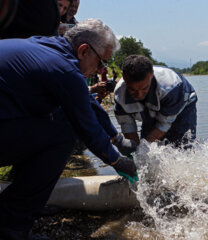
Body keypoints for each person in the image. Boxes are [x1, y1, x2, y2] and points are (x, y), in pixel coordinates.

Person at [0, 19, 137, 240]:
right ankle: (11, 224)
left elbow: (87, 102)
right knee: (64, 133)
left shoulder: (49, 48)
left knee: (55, 122)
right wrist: (116, 162)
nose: (101, 70)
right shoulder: (64, 69)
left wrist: (116, 137)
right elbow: (87, 126)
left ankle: (24, 202)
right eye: (101, 63)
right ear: (84, 50)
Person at [114, 55, 198, 147]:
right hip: (151, 107)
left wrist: (143, 148)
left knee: (182, 146)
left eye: (144, 88)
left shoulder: (171, 87)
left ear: (151, 75)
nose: (139, 95)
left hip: (183, 105)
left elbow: (163, 125)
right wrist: (135, 151)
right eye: (132, 90)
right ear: (123, 77)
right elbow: (127, 126)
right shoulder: (119, 94)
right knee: (147, 148)